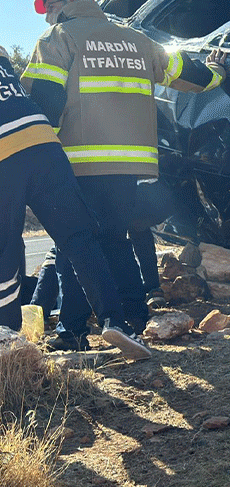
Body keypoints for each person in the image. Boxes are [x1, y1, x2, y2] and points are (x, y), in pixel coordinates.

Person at [21, 0, 226, 349]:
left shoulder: (58, 39)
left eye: (49, 7)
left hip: (78, 162)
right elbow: (188, 73)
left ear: (67, 0)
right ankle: (134, 318)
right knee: (115, 239)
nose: (47, 17)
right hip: (130, 164)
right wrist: (217, 71)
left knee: (74, 243)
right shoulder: (137, 40)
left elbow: (46, 106)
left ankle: (72, 332)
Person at [0, 45, 150, 360]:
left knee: (6, 251)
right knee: (80, 240)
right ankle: (115, 321)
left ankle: (8, 341)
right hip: (45, 145)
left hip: (4, 153)